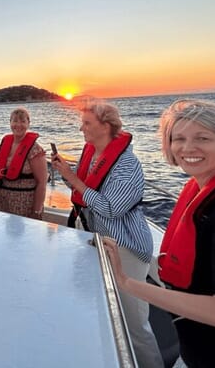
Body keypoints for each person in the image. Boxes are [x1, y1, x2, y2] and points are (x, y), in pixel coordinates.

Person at [103, 99, 215, 368]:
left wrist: (127, 282)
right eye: (178, 138)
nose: (187, 148)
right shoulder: (209, 192)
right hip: (198, 350)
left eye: (202, 138)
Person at [51, 99, 162, 368]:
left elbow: (110, 209)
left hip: (125, 248)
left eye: (87, 124)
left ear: (107, 126)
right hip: (97, 241)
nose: (81, 129)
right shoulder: (93, 155)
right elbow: (82, 189)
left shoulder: (127, 164)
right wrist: (65, 171)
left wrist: (74, 179)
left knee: (134, 322)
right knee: (102, 307)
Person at [0, 108, 47, 219]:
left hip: (23, 205)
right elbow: (7, 161)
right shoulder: (6, 143)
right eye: (15, 121)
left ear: (28, 124)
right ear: (10, 123)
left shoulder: (35, 150)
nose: (18, 125)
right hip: (1, 201)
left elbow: (42, 183)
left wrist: (36, 211)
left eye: (23, 121)